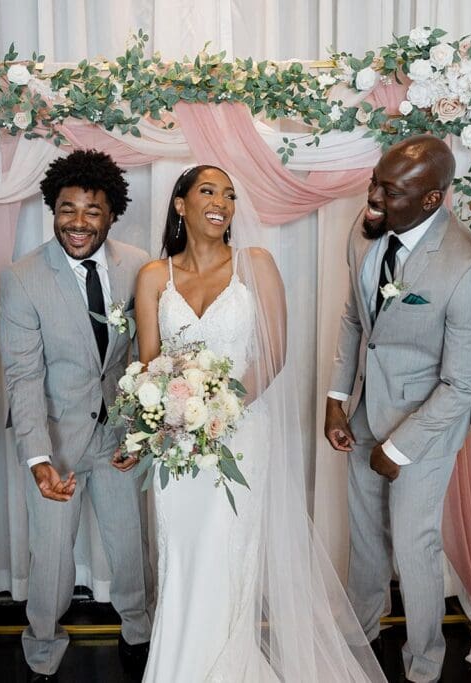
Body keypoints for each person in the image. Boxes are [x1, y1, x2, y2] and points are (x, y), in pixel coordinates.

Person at [134, 165, 385, 682]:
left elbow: (273, 355)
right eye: (207, 191)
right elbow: (149, 364)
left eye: (229, 193)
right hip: (176, 443)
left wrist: (219, 414)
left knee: (227, 550)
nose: (221, 201)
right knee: (181, 554)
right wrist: (176, 417)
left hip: (241, 434)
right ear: (180, 204)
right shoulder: (154, 277)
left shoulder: (257, 264)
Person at [324, 134, 471, 683]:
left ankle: (423, 664)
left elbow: (464, 381)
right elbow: (356, 317)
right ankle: (359, 638)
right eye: (376, 180)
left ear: (432, 199)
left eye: (391, 190)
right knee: (364, 534)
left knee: (413, 542)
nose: (373, 195)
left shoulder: (467, 265)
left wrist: (399, 447)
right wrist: (336, 399)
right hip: (363, 413)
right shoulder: (366, 230)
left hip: (425, 426)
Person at [0, 149, 152, 681]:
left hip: (118, 438)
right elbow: (22, 376)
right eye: (67, 209)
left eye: (92, 210)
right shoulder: (21, 278)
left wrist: (140, 433)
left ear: (112, 213)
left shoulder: (138, 266)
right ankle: (41, 646)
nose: (78, 223)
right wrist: (38, 457)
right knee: (52, 559)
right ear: (52, 209)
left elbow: (145, 356)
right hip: (56, 440)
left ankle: (139, 632)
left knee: (129, 545)